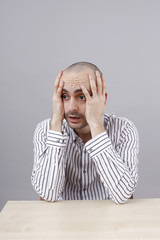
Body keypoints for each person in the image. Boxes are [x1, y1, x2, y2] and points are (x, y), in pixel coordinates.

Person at [31, 62, 139, 204]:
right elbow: (48, 194)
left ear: (102, 99)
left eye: (82, 97)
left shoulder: (124, 129)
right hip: (62, 221)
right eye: (64, 96)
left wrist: (95, 124)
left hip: (110, 221)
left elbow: (123, 194)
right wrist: (56, 123)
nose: (72, 108)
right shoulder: (45, 130)